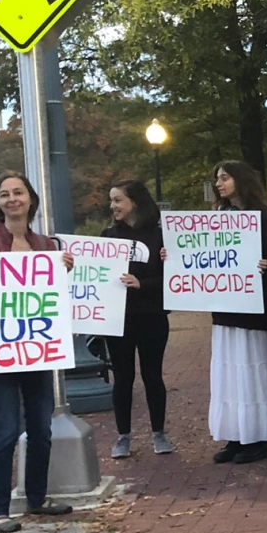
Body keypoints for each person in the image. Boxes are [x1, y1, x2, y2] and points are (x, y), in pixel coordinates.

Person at [0, 172, 73, 533]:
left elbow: (55, 299)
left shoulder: (47, 245)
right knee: (7, 429)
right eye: (5, 194)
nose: (12, 199)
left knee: (41, 428)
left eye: (18, 192)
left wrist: (65, 271)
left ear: (30, 199)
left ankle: (37, 498)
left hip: (37, 351)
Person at [203, 161, 267, 464]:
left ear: (240, 181)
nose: (219, 184)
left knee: (252, 371)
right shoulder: (216, 219)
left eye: (225, 178)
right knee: (229, 374)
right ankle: (236, 435)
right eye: (217, 179)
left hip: (254, 311)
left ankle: (258, 438)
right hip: (225, 308)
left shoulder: (265, 220)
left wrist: (266, 266)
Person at [100, 180, 172, 459]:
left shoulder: (160, 237)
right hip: (118, 319)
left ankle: (159, 433)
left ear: (135, 202)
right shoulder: (107, 236)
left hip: (152, 315)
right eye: (111, 200)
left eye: (118, 200)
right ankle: (123, 437)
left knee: (153, 374)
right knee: (122, 377)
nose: (113, 206)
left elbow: (172, 278)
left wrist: (142, 283)